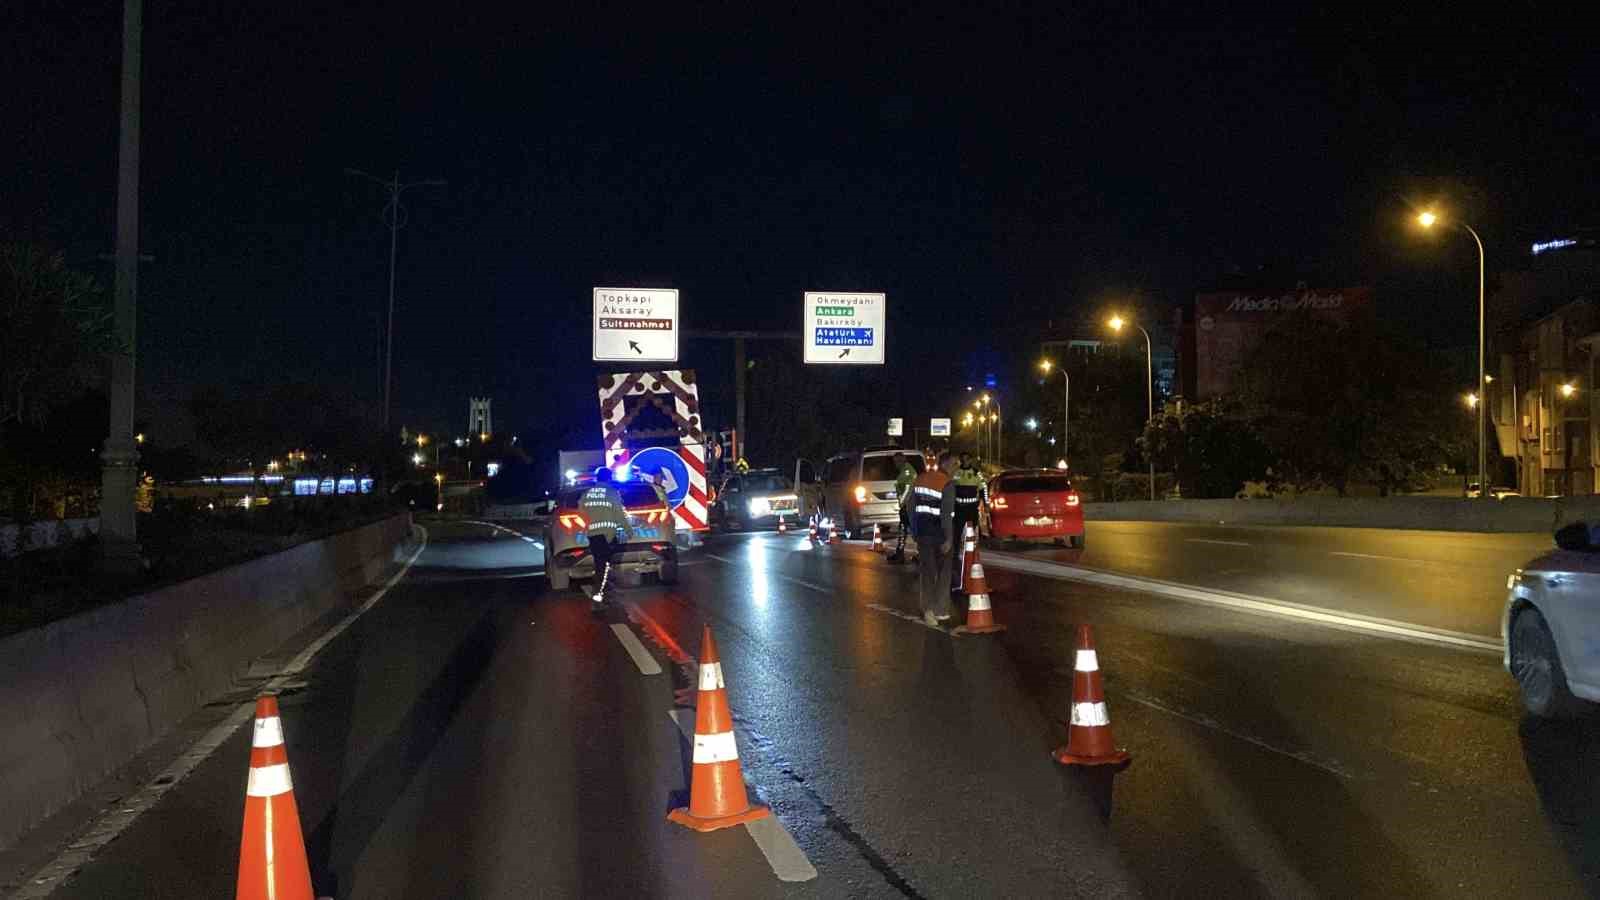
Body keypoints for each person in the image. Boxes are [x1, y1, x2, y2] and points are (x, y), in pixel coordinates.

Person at [909, 452, 954, 628]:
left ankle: (930, 609)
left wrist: (914, 530)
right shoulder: (947, 483)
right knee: (943, 572)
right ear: (946, 465)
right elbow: (947, 514)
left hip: (923, 532)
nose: (956, 468)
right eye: (954, 464)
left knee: (927, 571)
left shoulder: (920, 479)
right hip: (940, 534)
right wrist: (949, 538)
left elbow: (910, 506)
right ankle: (937, 610)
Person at [580, 467, 631, 608]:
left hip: (593, 535)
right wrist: (628, 530)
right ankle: (598, 596)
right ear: (609, 478)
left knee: (601, 564)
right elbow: (619, 514)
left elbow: (581, 511)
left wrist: (590, 523)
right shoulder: (612, 492)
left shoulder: (588, 493)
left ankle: (604, 592)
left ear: (597, 478)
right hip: (608, 534)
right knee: (605, 565)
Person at [948, 452, 984, 591]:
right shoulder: (956, 473)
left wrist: (984, 503)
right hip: (959, 509)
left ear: (971, 460)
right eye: (963, 459)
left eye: (967, 459)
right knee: (957, 532)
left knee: (973, 533)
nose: (965, 461)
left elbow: (982, 488)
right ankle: (955, 554)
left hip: (971, 509)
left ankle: (973, 553)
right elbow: (951, 487)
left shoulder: (976, 473)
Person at [887, 452, 918, 563]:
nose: (896, 464)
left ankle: (901, 555)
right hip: (909, 505)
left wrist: (903, 503)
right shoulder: (905, 471)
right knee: (907, 530)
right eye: (895, 462)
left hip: (909, 506)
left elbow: (908, 489)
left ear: (903, 460)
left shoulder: (907, 471)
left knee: (907, 530)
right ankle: (901, 553)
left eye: (898, 461)